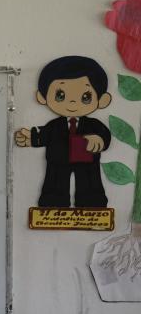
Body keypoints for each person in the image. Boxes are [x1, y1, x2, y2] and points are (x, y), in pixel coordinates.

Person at [14, 55, 113, 208]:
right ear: (42, 97)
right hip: (58, 160)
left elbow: (104, 135)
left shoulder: (93, 125)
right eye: (60, 95)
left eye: (86, 97)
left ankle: (92, 203)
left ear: (102, 100)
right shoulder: (55, 125)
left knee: (90, 183)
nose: (73, 102)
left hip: (87, 162)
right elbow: (45, 133)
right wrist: (31, 137)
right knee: (54, 183)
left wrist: (99, 140)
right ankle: (52, 204)